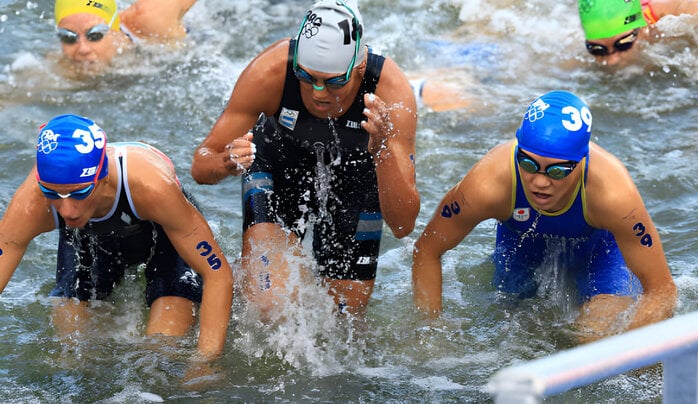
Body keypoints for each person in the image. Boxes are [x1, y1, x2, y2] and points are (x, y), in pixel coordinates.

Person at [191, 0, 419, 318]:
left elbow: (404, 224)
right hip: (279, 163)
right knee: (267, 304)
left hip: (355, 176)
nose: (318, 92)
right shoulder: (271, 71)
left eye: (334, 81)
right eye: (306, 76)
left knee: (344, 321)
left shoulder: (390, 91)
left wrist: (381, 149)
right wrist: (225, 162)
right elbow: (201, 165)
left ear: (360, 67)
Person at [412, 90, 677, 343]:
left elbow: (662, 290)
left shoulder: (612, 195)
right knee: (517, 334)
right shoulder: (488, 184)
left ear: (581, 161)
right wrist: (430, 328)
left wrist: (632, 354)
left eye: (557, 171)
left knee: (593, 337)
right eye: (527, 164)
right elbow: (427, 249)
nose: (539, 182)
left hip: (599, 252)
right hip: (521, 246)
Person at [0, 114, 233, 361]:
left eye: (80, 193)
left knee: (161, 354)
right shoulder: (34, 203)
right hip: (87, 239)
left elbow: (217, 274)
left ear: (103, 177)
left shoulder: (150, 188)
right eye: (52, 193)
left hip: (162, 236)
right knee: (72, 355)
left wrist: (206, 363)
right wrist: (62, 195)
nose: (67, 210)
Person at [53, 0, 196, 74]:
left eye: (95, 35)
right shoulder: (63, 67)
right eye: (69, 38)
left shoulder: (149, 20)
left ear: (114, 31)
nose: (83, 49)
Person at [578, 0, 698, 66]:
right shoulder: (573, 45)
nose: (611, 61)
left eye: (623, 44)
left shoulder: (682, 15)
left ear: (643, 28)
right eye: (597, 50)